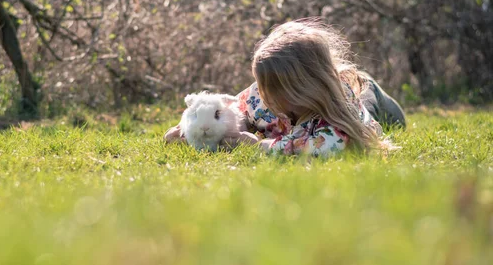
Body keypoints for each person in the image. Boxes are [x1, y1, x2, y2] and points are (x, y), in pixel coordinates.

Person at [164, 20, 405, 156]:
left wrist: (259, 146)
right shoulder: (261, 98)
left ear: (303, 87)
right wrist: (186, 130)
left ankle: (370, 86)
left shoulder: (336, 114)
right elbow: (226, 110)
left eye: (272, 89)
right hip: (332, 81)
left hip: (369, 100)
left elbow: (326, 148)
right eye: (261, 86)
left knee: (371, 94)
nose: (264, 96)